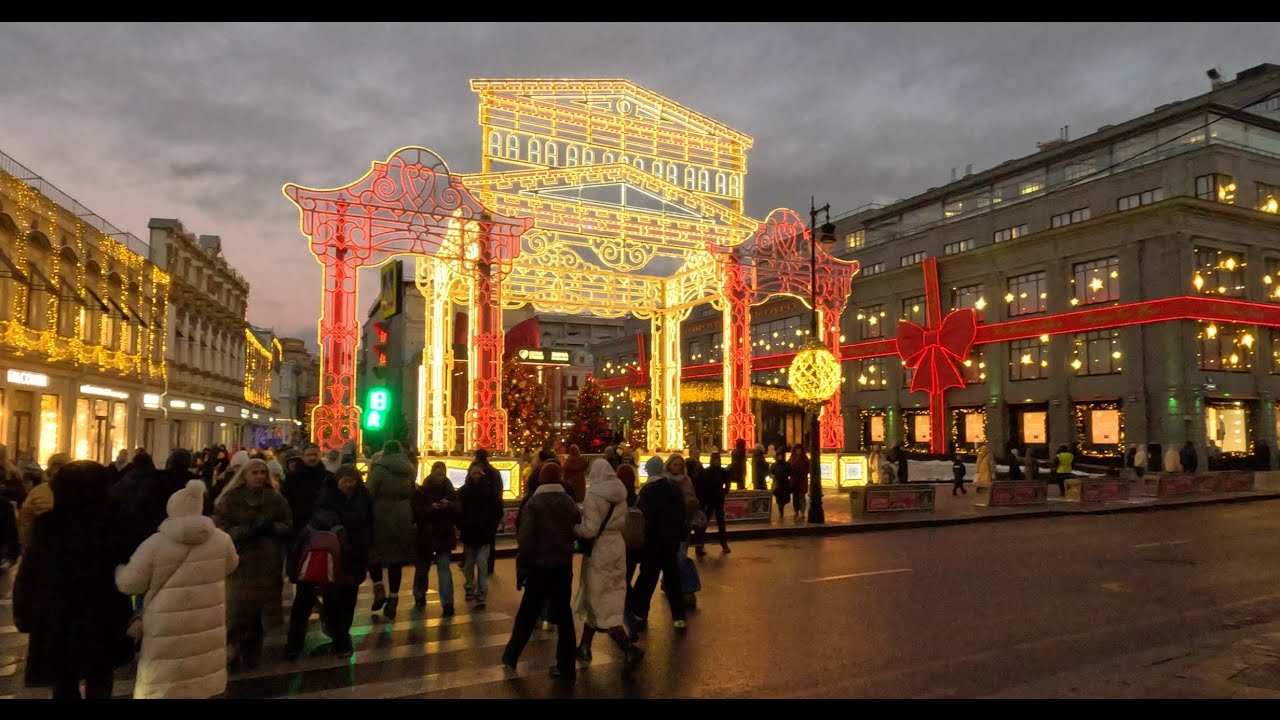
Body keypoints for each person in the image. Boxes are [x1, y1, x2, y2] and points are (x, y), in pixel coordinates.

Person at [13, 461, 135, 699]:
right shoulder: (114, 521)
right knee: (100, 676)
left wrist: (24, 611)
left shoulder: (49, 524)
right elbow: (128, 562)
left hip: (58, 614)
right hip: (104, 612)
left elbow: (31, 571)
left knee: (64, 680)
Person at [115, 479, 239, 699]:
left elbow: (130, 584)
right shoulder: (222, 540)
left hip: (165, 627)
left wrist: (119, 570)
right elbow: (231, 565)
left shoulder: (155, 544)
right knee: (201, 677)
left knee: (165, 683)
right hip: (208, 621)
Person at [502, 462, 581, 683]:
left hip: (539, 566)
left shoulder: (534, 503)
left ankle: (512, 654)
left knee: (528, 611)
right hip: (563, 565)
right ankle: (567, 666)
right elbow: (576, 526)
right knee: (564, 615)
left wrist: (522, 567)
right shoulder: (568, 502)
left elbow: (526, 540)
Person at [285, 464, 373, 660]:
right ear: (337, 481)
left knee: (346, 600)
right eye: (345, 481)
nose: (349, 485)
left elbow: (370, 523)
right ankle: (296, 643)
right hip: (325, 557)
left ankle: (341, 640)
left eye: (353, 480)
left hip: (353, 557)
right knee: (308, 601)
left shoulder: (363, 497)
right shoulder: (325, 499)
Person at [213, 458, 292, 671]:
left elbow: (287, 524)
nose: (259, 477)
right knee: (237, 610)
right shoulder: (230, 500)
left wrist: (271, 528)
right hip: (240, 562)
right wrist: (248, 530)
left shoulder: (275, 499)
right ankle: (232, 650)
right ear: (245, 475)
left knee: (259, 613)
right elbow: (221, 528)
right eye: (255, 473)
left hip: (267, 564)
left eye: (262, 473)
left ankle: (252, 652)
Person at [573, 459, 643, 670]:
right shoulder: (620, 493)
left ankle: (628, 649)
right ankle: (584, 647)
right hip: (617, 546)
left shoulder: (595, 495)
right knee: (605, 595)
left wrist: (575, 528)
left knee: (597, 598)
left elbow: (589, 530)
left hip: (600, 549)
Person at [627, 455, 688, 636]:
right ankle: (679, 617)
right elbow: (681, 512)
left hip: (653, 542)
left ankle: (639, 614)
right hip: (671, 541)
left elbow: (643, 517)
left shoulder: (647, 491)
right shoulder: (673, 488)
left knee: (647, 577)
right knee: (672, 579)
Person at [367, 441, 417, 619]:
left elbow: (369, 492)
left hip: (380, 514)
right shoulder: (409, 469)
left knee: (374, 553)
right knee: (396, 558)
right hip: (403, 515)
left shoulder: (379, 469)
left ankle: (379, 587)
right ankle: (394, 598)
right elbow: (412, 491)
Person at [411, 460, 461, 616]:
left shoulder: (449, 491)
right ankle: (420, 596)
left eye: (442, 474)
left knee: (442, 568)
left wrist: (449, 506)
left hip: (441, 534)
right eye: (438, 473)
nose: (440, 477)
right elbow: (416, 512)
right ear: (432, 473)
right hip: (428, 534)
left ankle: (447, 602)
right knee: (423, 569)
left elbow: (458, 511)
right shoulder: (422, 491)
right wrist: (431, 508)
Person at [459, 460, 503, 610]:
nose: (477, 476)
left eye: (479, 473)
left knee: (481, 563)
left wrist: (492, 526)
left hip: (483, 534)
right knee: (470, 563)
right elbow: (459, 511)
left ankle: (481, 592)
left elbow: (498, 510)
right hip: (471, 533)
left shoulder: (487, 491)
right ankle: (470, 587)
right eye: (474, 473)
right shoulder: (465, 491)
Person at [693, 451, 731, 556]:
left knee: (720, 523)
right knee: (705, 523)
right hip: (709, 501)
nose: (717, 462)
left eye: (718, 460)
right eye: (715, 460)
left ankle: (723, 544)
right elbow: (701, 487)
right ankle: (700, 546)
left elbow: (727, 484)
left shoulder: (721, 472)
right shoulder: (707, 472)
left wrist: (724, 492)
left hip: (717, 500)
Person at [788, 444, 809, 521]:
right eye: (797, 449)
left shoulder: (805, 459)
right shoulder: (792, 458)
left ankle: (802, 511)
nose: (798, 451)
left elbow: (807, 469)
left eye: (799, 449)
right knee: (795, 497)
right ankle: (796, 511)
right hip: (794, 480)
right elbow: (788, 467)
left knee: (801, 497)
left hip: (802, 480)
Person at [770, 448, 791, 520]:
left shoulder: (786, 464)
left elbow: (790, 472)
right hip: (777, 484)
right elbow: (770, 473)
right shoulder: (774, 465)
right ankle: (781, 511)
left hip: (785, 484)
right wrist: (772, 476)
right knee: (779, 499)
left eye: (781, 455)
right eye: (778, 456)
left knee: (784, 499)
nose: (780, 457)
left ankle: (781, 508)